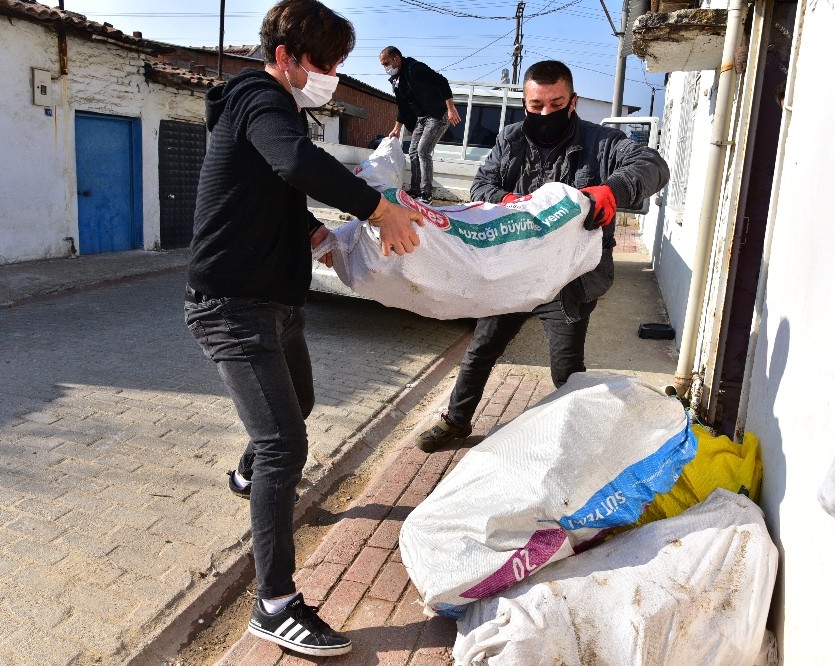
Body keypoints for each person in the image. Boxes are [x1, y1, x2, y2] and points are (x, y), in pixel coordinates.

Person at [184, 0, 423, 657]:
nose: (333, 77)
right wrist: (378, 209)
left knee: (301, 406)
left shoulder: (280, 108)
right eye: (325, 63)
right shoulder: (259, 98)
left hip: (273, 301)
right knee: (285, 444)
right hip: (231, 306)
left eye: (341, 64)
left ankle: (245, 477)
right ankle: (275, 605)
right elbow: (292, 163)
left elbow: (276, 188)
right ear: (286, 56)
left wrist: (315, 232)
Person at [416, 60, 670, 452]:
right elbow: (481, 186)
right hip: (513, 274)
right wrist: (507, 200)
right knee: (481, 349)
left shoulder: (603, 143)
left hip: (570, 281)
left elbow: (653, 164)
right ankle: (456, 421)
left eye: (556, 103)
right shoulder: (511, 139)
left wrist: (613, 189)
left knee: (566, 369)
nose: (546, 113)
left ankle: (575, 440)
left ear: (573, 101)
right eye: (536, 106)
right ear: (525, 102)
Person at [379, 46, 461, 204]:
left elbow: (442, 81)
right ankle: (415, 190)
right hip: (422, 118)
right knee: (413, 151)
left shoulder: (415, 69)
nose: (385, 67)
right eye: (383, 64)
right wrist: (397, 128)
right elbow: (402, 106)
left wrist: (450, 108)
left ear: (396, 59)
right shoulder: (397, 80)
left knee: (423, 151)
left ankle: (426, 194)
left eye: (386, 63)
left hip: (438, 115)